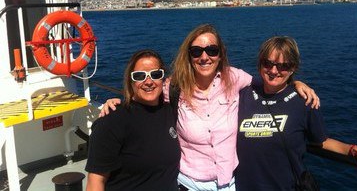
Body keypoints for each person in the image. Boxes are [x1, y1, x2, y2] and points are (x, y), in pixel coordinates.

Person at [100, 24, 320, 190]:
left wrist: (295, 83)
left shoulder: (234, 78)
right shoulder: (174, 87)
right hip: (188, 183)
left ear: (220, 54)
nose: (204, 57)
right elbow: (147, 92)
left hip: (230, 183)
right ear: (189, 56)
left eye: (212, 50)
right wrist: (118, 103)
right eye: (197, 52)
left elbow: (271, 79)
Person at [235, 36, 357, 190]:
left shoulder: (304, 102)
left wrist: (355, 149)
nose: (274, 71)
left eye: (283, 66)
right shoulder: (242, 95)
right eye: (268, 63)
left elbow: (321, 141)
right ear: (260, 63)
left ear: (293, 67)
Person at [86, 49, 180, 191]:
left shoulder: (170, 112)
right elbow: (95, 182)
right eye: (140, 76)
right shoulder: (111, 122)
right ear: (130, 81)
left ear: (163, 79)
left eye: (155, 74)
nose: (148, 82)